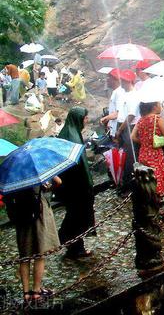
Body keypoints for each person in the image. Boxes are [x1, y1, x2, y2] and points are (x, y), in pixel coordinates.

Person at [4, 177, 62, 303]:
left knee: (24, 256)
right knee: (39, 254)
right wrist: (46, 187)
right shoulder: (36, 168)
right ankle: (36, 292)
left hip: (21, 213)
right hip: (38, 211)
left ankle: (26, 294)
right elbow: (58, 182)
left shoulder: (12, 175)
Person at [56, 106, 95, 259]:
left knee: (74, 215)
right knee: (77, 215)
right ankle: (74, 246)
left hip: (71, 183)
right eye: (85, 118)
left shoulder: (69, 131)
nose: (87, 121)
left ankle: (73, 244)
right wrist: (87, 183)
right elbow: (78, 164)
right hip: (76, 184)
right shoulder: (72, 135)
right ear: (79, 119)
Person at [131, 101, 164, 196]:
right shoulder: (157, 119)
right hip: (155, 154)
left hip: (143, 153)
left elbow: (132, 136)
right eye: (159, 104)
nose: (160, 106)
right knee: (158, 178)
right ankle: (159, 203)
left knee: (148, 179)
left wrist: (145, 142)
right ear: (154, 107)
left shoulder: (140, 120)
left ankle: (151, 202)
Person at [115, 69, 140, 192]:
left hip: (130, 128)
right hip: (125, 127)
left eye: (123, 81)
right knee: (125, 155)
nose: (121, 83)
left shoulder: (134, 95)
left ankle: (129, 185)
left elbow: (131, 116)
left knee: (130, 156)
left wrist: (119, 130)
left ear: (129, 81)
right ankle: (126, 182)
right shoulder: (125, 94)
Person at [100, 68, 124, 137]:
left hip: (119, 130)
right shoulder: (116, 91)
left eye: (108, 77)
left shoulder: (120, 93)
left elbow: (118, 113)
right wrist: (110, 122)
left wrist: (106, 118)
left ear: (115, 79)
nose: (106, 80)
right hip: (114, 127)